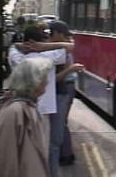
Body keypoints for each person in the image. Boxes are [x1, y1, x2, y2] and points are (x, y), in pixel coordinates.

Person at [8, 25, 76, 177]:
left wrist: (24, 45)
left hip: (21, 105)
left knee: (24, 147)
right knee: (44, 148)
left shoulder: (15, 54)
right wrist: (43, 47)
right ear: (37, 42)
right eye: (44, 40)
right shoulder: (49, 56)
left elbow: (14, 47)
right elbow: (70, 46)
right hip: (44, 109)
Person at [0, 58, 52, 177]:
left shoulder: (29, 107)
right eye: (44, 77)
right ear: (34, 81)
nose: (47, 81)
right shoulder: (13, 113)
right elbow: (4, 161)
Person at [48, 21, 83, 166]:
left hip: (66, 87)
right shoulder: (60, 47)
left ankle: (66, 155)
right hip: (66, 86)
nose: (49, 37)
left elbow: (61, 72)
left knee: (61, 123)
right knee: (62, 122)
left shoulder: (64, 49)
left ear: (59, 34)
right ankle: (65, 153)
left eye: (52, 33)